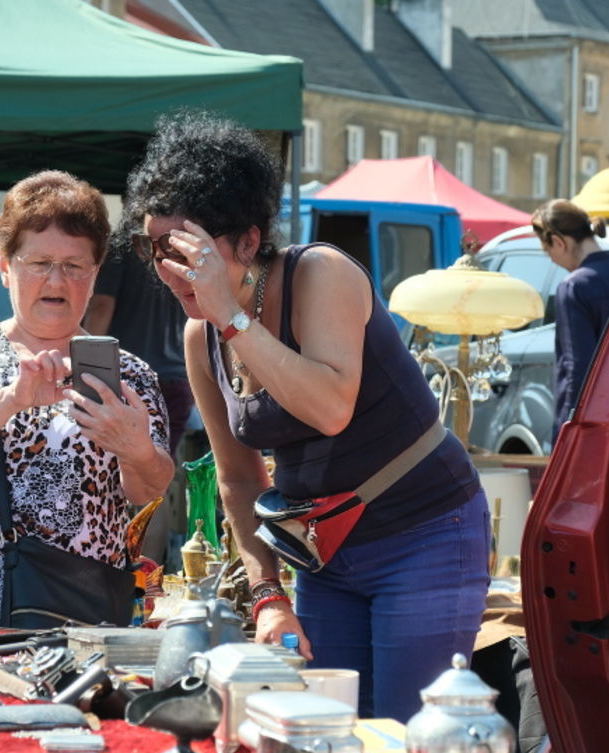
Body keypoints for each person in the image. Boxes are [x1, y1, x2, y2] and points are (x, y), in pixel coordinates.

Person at [121, 113, 489, 720]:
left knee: (408, 735)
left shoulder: (321, 273)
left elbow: (329, 407)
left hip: (424, 531)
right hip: (322, 552)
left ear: (246, 241)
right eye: (154, 249)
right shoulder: (200, 336)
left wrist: (231, 318)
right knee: (330, 731)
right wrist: (267, 594)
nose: (170, 269)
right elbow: (239, 480)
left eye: (187, 249)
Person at [0, 170, 174, 628]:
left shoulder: (129, 375)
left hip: (71, 615)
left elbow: (147, 488)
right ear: (6, 268)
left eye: (75, 266)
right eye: (38, 262)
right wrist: (9, 400)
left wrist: (135, 446)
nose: (56, 279)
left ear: (95, 273)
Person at [532, 199, 609, 442]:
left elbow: (578, 368)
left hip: (594, 423)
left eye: (548, 252)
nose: (552, 260)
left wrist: (566, 432)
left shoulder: (574, 287)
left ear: (558, 242)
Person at [84, 248, 193, 458]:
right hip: (177, 379)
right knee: (154, 476)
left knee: (110, 473)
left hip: (126, 380)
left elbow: (101, 307)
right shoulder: (184, 248)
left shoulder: (119, 250)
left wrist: (85, 370)